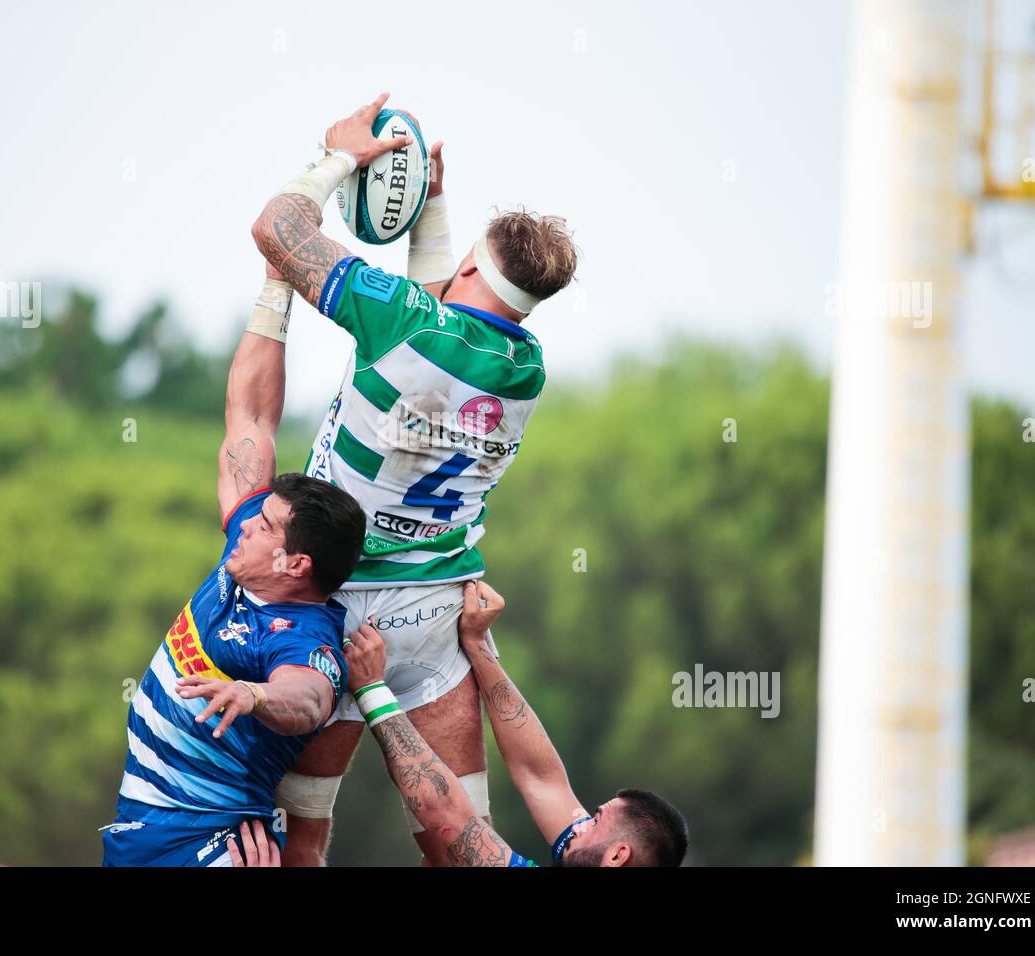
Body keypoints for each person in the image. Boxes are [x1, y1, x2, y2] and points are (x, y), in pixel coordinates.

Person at [250, 92, 580, 865]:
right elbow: (441, 325)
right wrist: (428, 212)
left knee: (303, 834)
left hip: (331, 602)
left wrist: (337, 156)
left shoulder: (402, 320)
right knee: (457, 842)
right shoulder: (525, 371)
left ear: (469, 264)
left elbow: (276, 230)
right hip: (435, 615)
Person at [99, 264, 367, 867]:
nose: (243, 523)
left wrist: (253, 695)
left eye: (264, 524)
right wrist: (277, 282)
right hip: (141, 834)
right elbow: (249, 418)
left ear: (297, 564)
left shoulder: (304, 635)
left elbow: (310, 697)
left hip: (214, 849)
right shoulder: (249, 555)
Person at [344, 580, 689, 867]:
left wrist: (372, 690)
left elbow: (445, 816)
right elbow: (539, 776)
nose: (580, 825)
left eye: (596, 821)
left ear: (617, 855)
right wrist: (477, 645)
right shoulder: (588, 852)